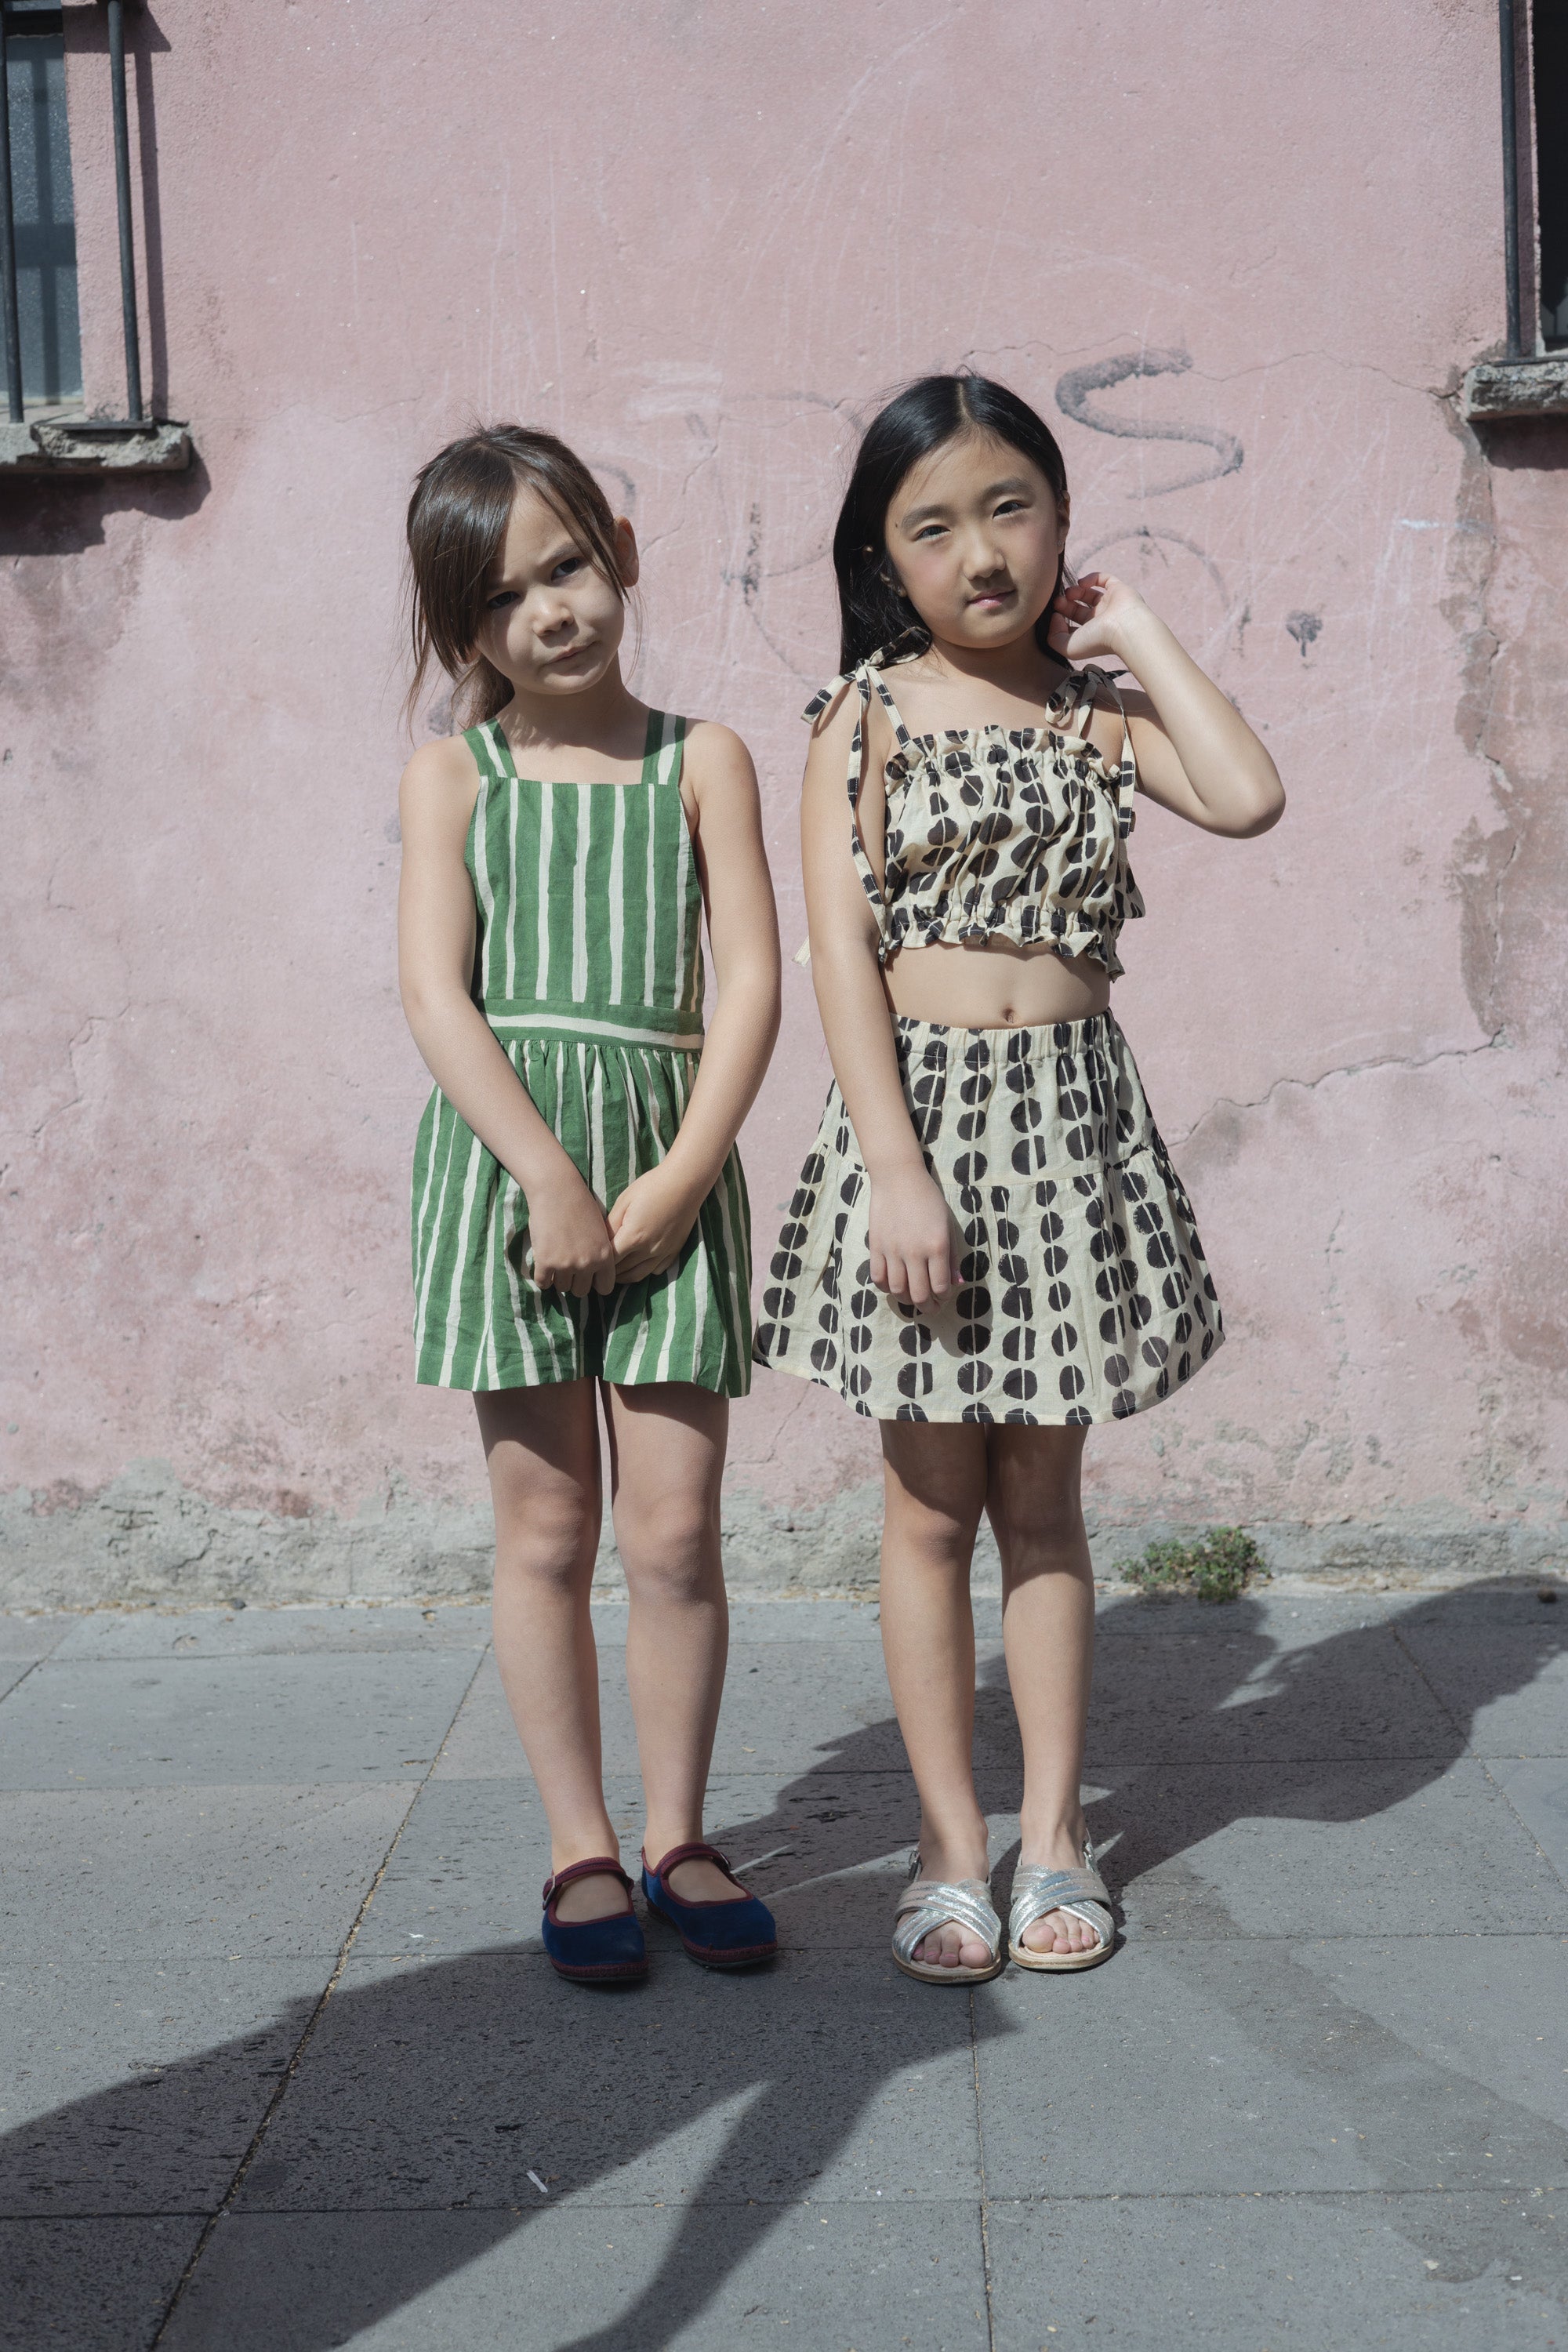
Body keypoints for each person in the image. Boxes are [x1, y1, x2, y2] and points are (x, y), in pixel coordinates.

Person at [755, 376, 1283, 1984]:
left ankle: (1057, 1835)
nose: (979, 553)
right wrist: (897, 1173)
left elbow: (1247, 796)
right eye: (933, 527)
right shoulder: (862, 718)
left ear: (1059, 522)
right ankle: (943, 1846)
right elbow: (844, 958)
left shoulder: (1093, 714)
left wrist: (1137, 636)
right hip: (919, 1127)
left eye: (1010, 509)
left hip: (1067, 1126)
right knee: (928, 1511)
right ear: (882, 558)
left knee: (1043, 1507)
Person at [398, 426, 782, 1984]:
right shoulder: (455, 777)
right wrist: (547, 1176)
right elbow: (436, 993)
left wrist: (682, 1175)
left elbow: (749, 982)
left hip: (672, 1170)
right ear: (462, 630)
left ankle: (679, 1836)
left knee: (676, 1528)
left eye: (565, 566)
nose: (548, 611)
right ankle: (580, 1849)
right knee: (548, 1527)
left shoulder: (704, 760)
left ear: (619, 548)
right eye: (502, 597)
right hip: (510, 1182)